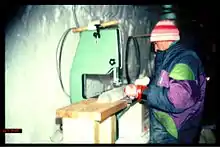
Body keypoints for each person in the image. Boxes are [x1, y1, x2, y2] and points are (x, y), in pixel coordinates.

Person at [124, 20, 206, 143]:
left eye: (156, 43)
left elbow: (178, 98)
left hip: (175, 133)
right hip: (164, 126)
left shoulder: (185, 59)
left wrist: (141, 92)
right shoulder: (168, 57)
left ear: (165, 40)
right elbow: (164, 80)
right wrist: (149, 80)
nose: (155, 48)